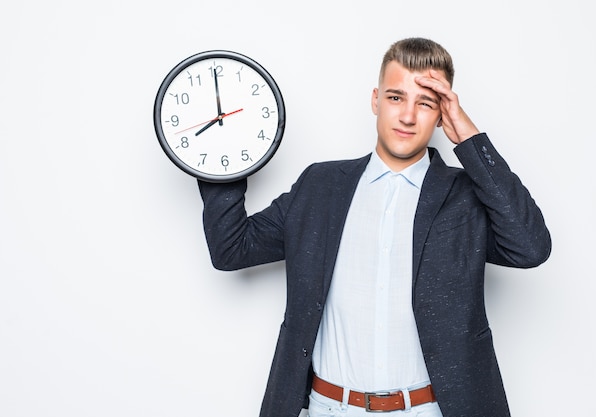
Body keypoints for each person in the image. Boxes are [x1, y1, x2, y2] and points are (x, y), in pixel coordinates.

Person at [197, 37, 551, 417]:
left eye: (426, 103)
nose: (408, 116)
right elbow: (231, 249)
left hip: (429, 409)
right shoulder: (320, 186)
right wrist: (223, 156)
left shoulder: (465, 197)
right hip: (329, 408)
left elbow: (530, 247)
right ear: (375, 100)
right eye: (396, 98)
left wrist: (469, 137)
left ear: (442, 115)